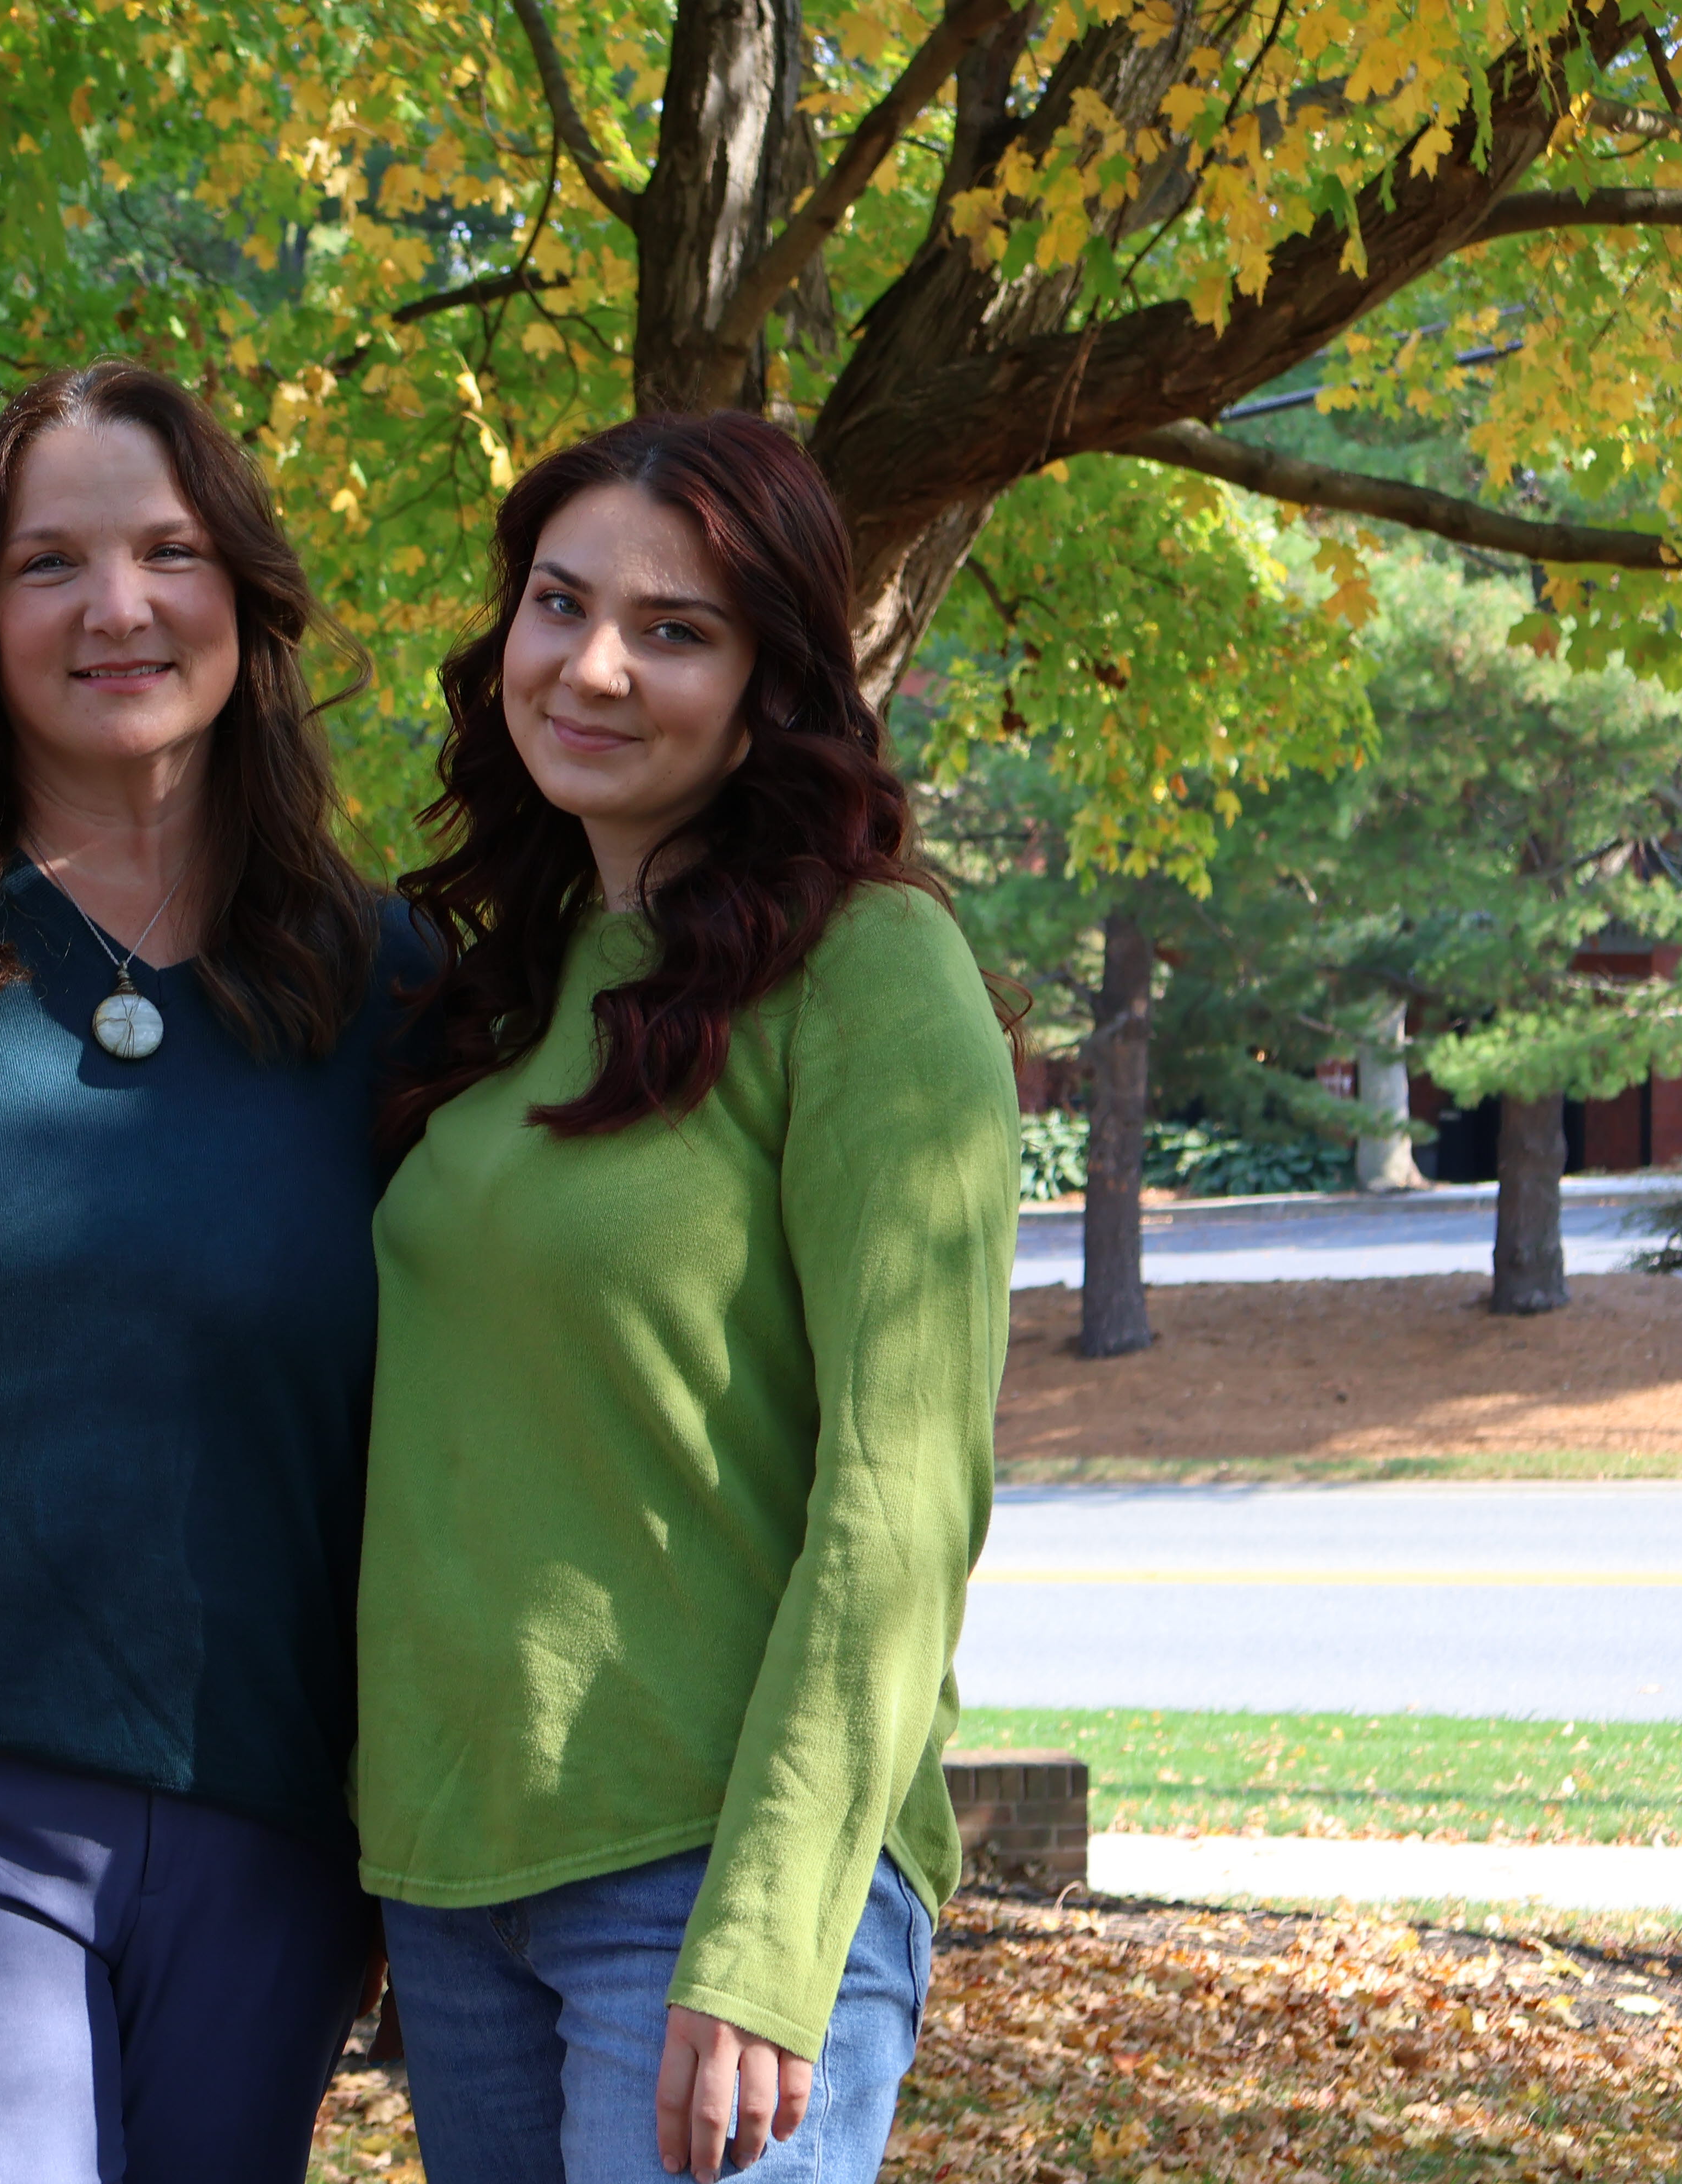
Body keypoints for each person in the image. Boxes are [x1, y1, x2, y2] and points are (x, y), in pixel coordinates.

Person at [0, 360, 422, 2184]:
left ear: (249, 604)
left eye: (170, 551)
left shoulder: (392, 992)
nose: (119, 607)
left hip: (271, 1824)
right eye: (52, 564)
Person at [354, 412, 1020, 2184]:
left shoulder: (872, 969)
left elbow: (904, 1500)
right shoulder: (502, 986)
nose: (593, 665)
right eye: (559, 604)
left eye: (675, 629)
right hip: (458, 1890)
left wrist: (770, 1937)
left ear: (771, 680)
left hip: (715, 1876)